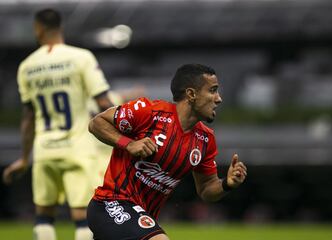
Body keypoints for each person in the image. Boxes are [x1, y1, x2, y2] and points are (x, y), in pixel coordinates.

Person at [87, 64, 247, 240]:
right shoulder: (149, 112)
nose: (219, 99)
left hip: (142, 217)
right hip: (111, 204)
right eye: (213, 91)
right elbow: (96, 123)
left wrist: (227, 184)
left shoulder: (205, 140)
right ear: (191, 94)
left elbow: (207, 189)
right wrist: (129, 144)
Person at [2, 8, 113, 240]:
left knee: (43, 215)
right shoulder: (81, 57)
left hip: (44, 150)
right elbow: (103, 101)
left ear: (38, 29)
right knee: (83, 216)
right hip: (78, 147)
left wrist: (24, 158)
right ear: (60, 27)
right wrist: (125, 135)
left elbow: (28, 117)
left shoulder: (27, 66)